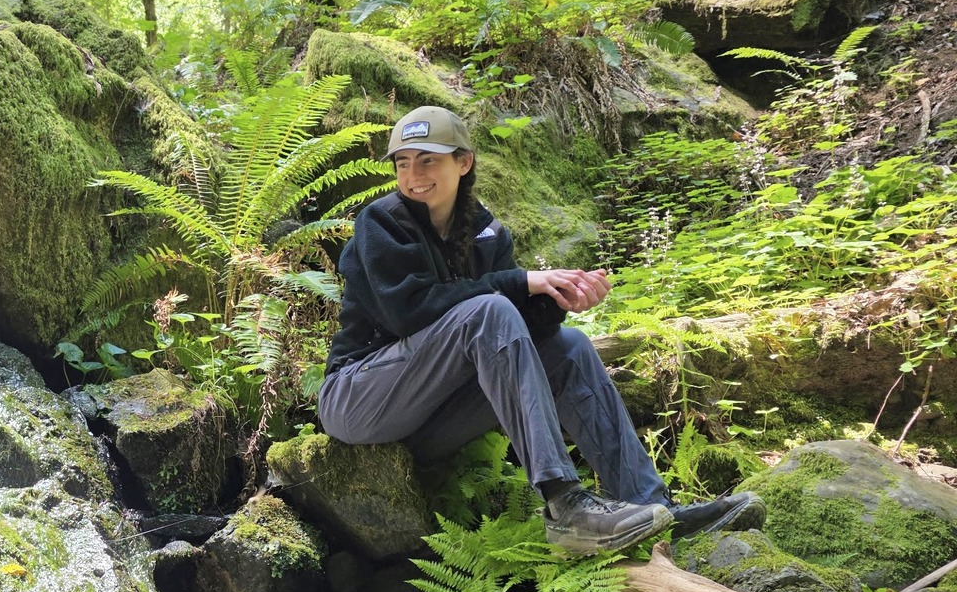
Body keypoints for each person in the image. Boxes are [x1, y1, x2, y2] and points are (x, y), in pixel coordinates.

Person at [318, 105, 763, 555]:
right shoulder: (381, 223)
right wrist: (521, 282)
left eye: (428, 159)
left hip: (435, 419)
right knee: (489, 309)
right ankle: (565, 506)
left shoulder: (488, 233)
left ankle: (653, 508)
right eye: (402, 162)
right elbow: (409, 313)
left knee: (568, 346)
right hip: (358, 398)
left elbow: (511, 334)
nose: (413, 174)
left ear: (464, 162)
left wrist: (556, 300)